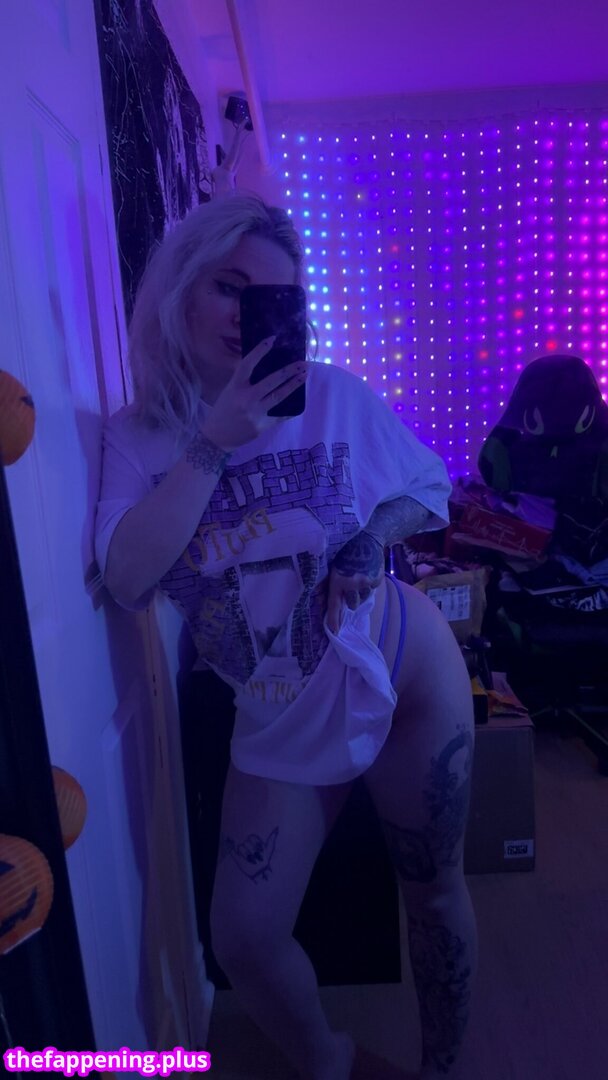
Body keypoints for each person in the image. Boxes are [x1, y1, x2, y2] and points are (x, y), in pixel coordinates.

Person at [95, 192, 477, 1080]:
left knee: (433, 893)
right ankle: (330, 1062)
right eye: (230, 287)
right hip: (275, 709)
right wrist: (215, 441)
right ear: (181, 289)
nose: (247, 314)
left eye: (273, 298)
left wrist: (369, 540)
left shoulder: (332, 396)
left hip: (401, 667)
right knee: (243, 937)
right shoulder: (137, 438)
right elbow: (127, 578)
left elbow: (428, 489)